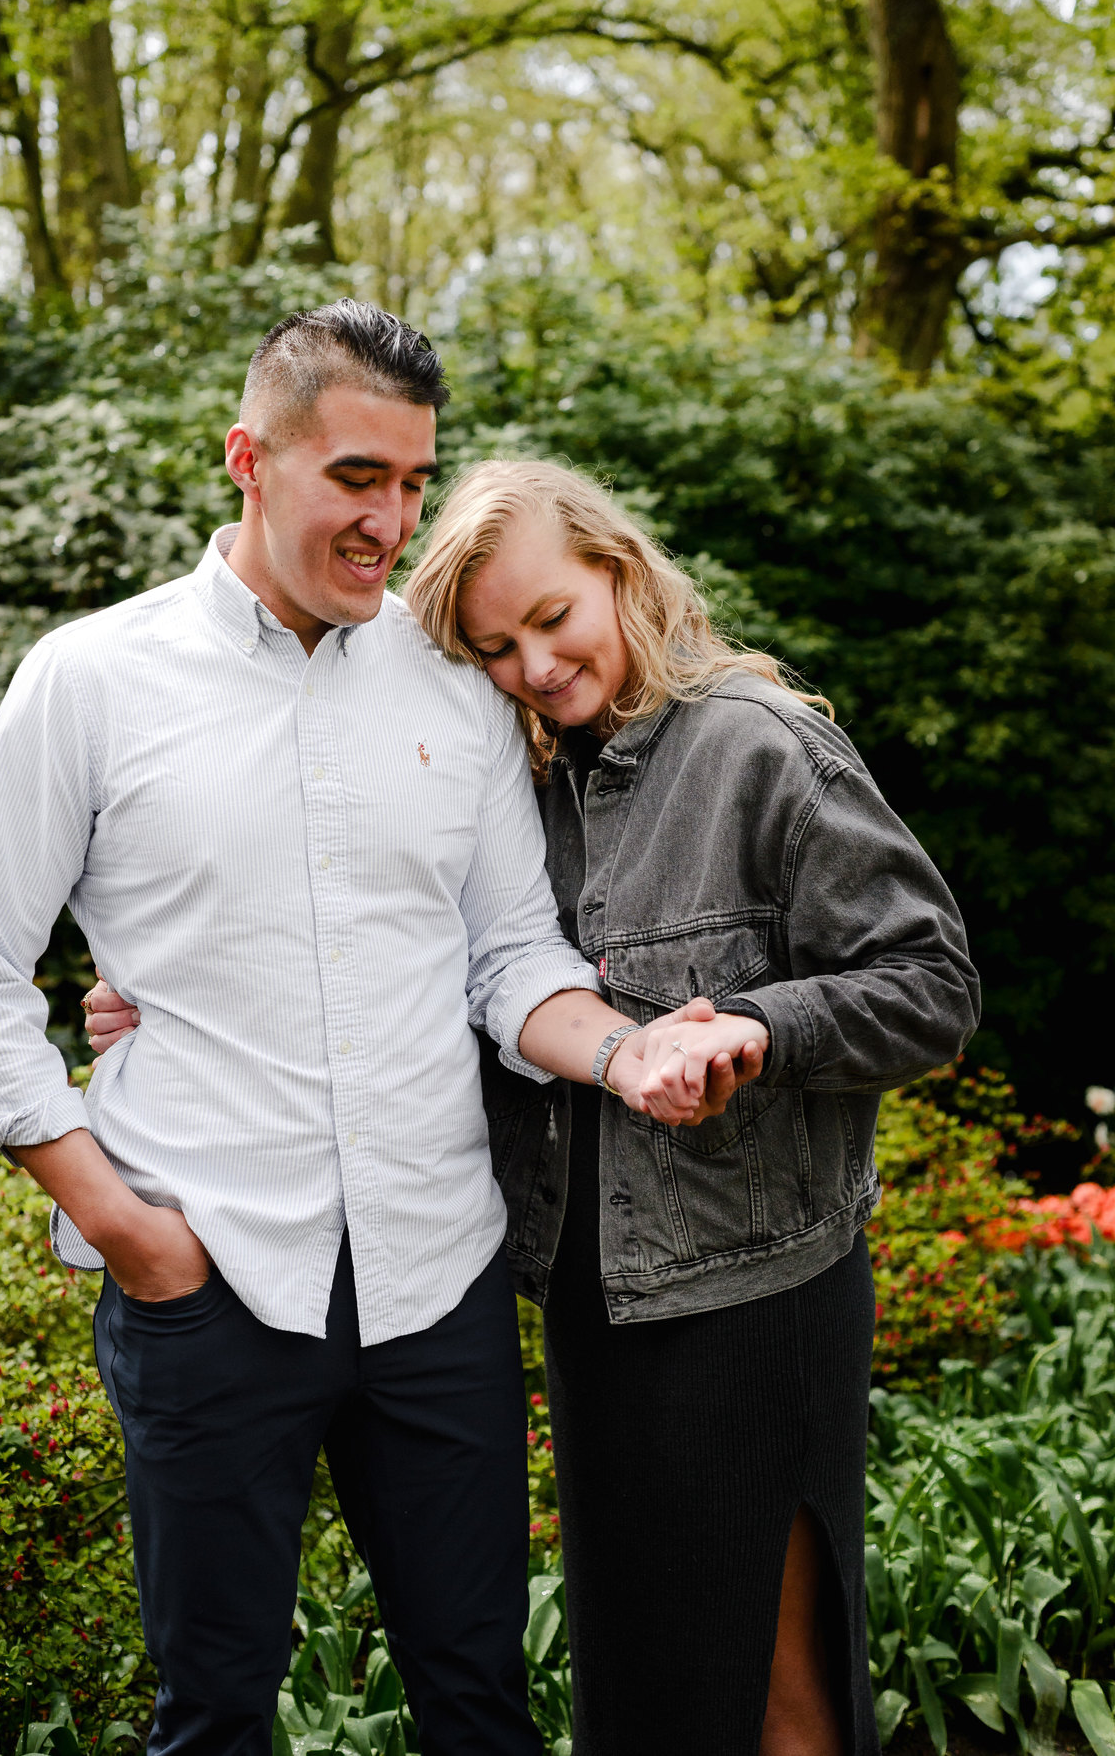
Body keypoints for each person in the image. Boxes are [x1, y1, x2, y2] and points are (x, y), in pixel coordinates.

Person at [0, 309, 722, 1756]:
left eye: (415, 481)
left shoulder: (454, 694)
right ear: (250, 458)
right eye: (360, 475)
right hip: (208, 1280)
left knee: (480, 1701)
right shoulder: (88, 682)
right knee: (212, 1713)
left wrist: (627, 1050)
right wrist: (123, 1224)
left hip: (440, 1278)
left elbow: (509, 956)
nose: (393, 519)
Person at [399, 459, 981, 1756]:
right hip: (594, 1302)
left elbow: (934, 983)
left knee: (777, 1692)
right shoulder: (521, 791)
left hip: (757, 1301)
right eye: (496, 646)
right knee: (648, 1694)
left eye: (553, 616)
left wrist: (760, 1028)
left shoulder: (755, 746)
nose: (535, 664)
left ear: (616, 567)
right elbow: (468, 992)